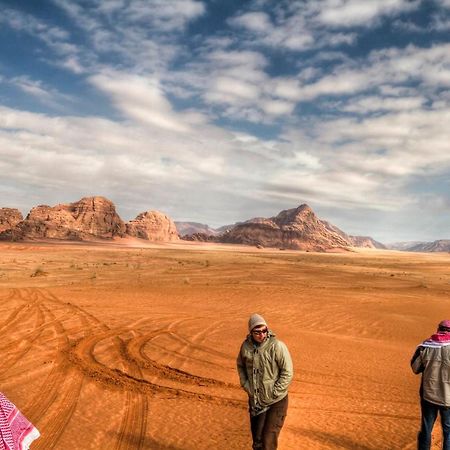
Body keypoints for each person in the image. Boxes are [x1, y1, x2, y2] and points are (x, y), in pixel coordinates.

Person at [237, 313, 293, 450]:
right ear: (251, 332)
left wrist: (274, 392)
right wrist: (246, 386)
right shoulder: (246, 347)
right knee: (257, 442)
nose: (261, 335)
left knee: (268, 440)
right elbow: (241, 367)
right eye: (257, 332)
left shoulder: (277, 346)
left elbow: (287, 372)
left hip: (276, 401)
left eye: (264, 331)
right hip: (256, 401)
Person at [411, 319, 450, 450]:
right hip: (448, 400)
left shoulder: (426, 346)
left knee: (426, 429)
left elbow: (415, 368)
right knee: (448, 432)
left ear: (439, 329)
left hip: (429, 396)